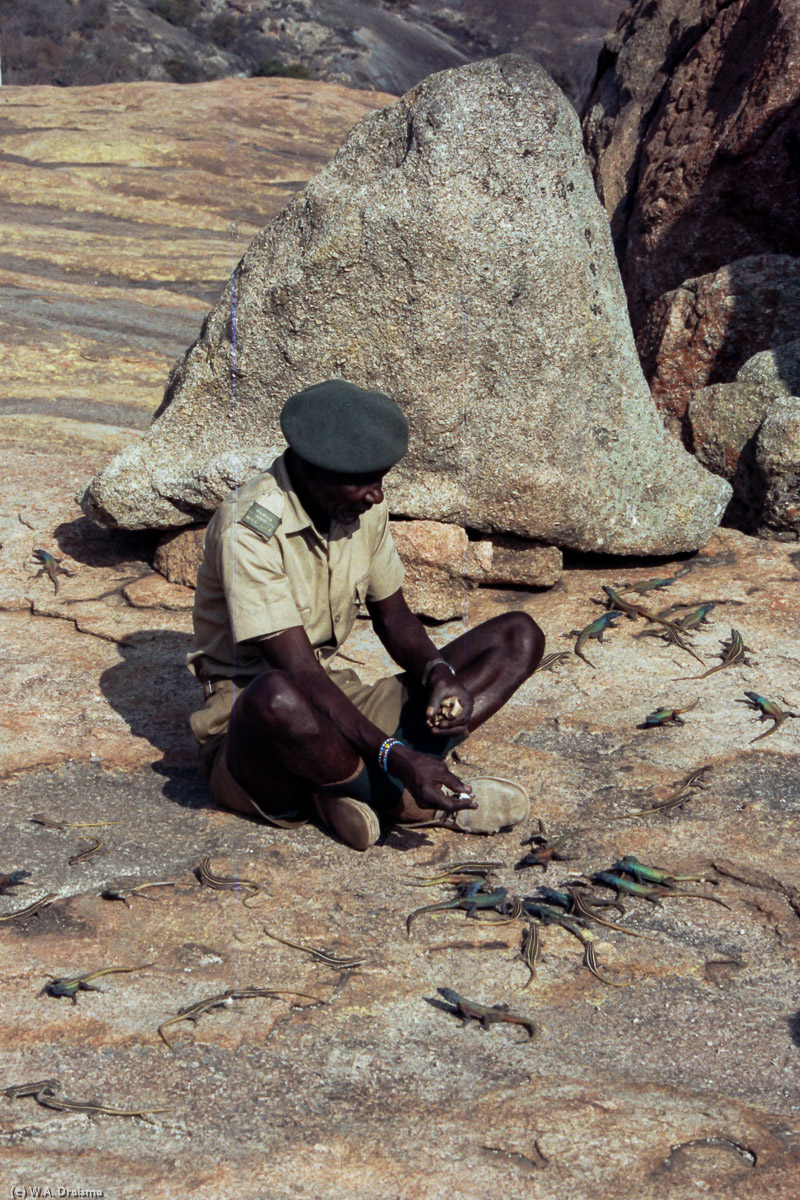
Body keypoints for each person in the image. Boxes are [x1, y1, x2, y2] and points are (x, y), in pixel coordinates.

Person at [188, 380, 545, 849]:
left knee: (519, 635)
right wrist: (398, 758)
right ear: (311, 470)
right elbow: (296, 672)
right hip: (258, 727)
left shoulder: (358, 507)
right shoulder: (249, 528)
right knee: (277, 697)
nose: (375, 495)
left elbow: (394, 618)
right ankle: (407, 803)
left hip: (335, 697)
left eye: (381, 478)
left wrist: (437, 673)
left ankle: (341, 790)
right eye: (362, 480)